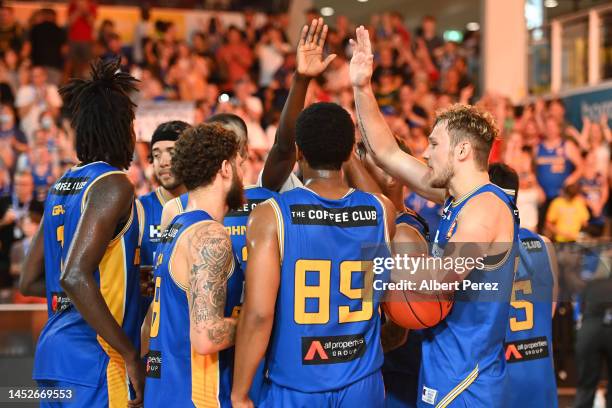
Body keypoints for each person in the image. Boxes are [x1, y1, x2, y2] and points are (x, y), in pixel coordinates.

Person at [349, 26, 518, 407]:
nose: (425, 153)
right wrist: (362, 87)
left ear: (461, 151)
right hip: (446, 361)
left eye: (434, 143)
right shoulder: (455, 193)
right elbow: (387, 153)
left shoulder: (484, 208)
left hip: (468, 379)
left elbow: (440, 277)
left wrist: (371, 266)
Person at [232, 101, 396, 408]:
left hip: (297, 383)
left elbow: (258, 314)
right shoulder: (382, 212)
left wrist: (239, 393)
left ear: (299, 152)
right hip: (363, 382)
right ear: (349, 153)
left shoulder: (271, 215)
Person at [19, 59, 144, 407]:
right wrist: (130, 353)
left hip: (53, 356)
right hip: (97, 358)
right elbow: (75, 275)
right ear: (120, 127)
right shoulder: (114, 184)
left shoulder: (62, 185)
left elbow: (29, 280)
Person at [143, 123, 245, 407]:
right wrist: (262, 321)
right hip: (197, 397)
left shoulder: (176, 225)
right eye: (239, 165)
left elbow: (151, 320)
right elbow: (205, 338)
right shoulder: (209, 236)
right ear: (225, 169)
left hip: (164, 392)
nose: (243, 175)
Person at [488, 163, 559, 408]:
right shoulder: (544, 244)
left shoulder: (480, 249)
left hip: (500, 375)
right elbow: (549, 311)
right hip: (539, 371)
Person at [259, 17, 337, 193]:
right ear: (299, 153)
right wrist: (301, 80)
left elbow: (284, 148)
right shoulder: (281, 183)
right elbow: (284, 148)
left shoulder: (367, 199)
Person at [137, 121, 189, 324]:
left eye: (171, 152)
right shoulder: (140, 208)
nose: (163, 162)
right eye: (156, 155)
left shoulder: (208, 203)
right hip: (152, 330)